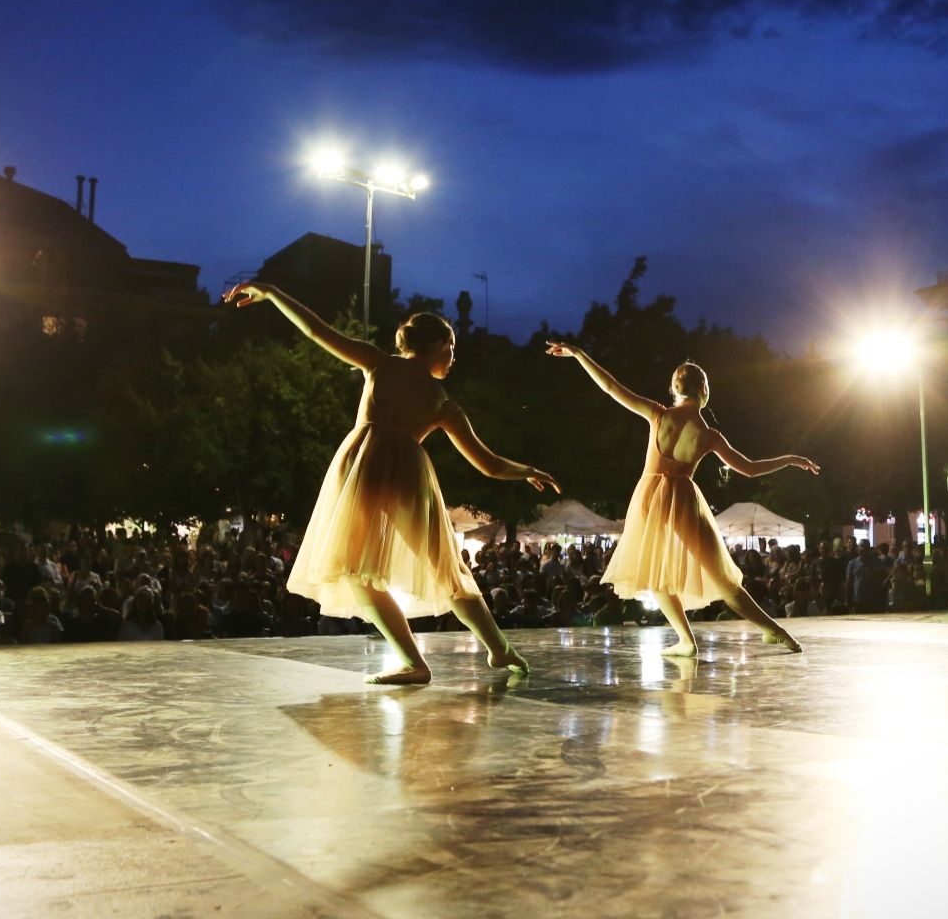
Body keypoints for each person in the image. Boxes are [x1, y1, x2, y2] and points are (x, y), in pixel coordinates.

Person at [224, 281, 560, 684]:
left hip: (365, 464)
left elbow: (316, 331)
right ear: (437, 344)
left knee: (358, 570)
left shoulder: (382, 365)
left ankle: (420, 661)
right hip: (404, 475)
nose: (454, 358)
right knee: (445, 571)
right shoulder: (439, 400)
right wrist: (525, 470)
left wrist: (273, 293)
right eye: (452, 348)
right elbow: (487, 464)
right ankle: (497, 648)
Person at [545, 345, 818, 656]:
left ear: (674, 388)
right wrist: (791, 459)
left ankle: (687, 641)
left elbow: (610, 387)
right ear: (704, 391)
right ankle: (777, 631)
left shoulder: (659, 415)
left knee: (654, 574)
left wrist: (579, 354)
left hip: (650, 498)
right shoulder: (709, 434)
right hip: (684, 501)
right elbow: (751, 469)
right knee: (723, 578)